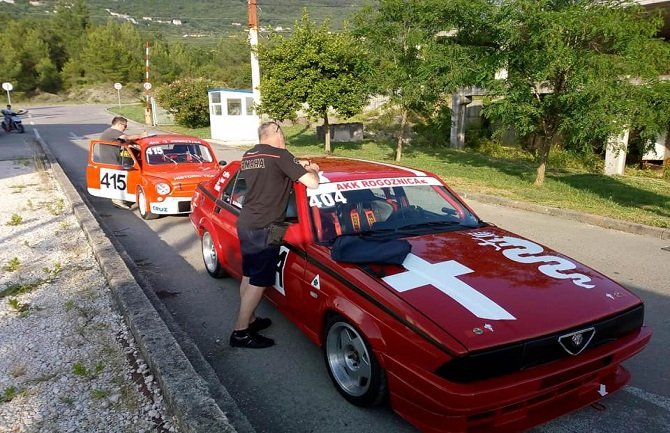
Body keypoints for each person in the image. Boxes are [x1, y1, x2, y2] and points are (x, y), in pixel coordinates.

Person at [230, 121, 320, 349]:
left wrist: (298, 163)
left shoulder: (249, 155)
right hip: (266, 226)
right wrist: (313, 170)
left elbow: (273, 169)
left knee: (249, 275)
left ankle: (249, 319)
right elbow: (312, 184)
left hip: (247, 222)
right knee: (259, 281)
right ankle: (241, 332)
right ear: (278, 133)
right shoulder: (281, 155)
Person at [99, 116, 145, 209]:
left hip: (112, 160)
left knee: (119, 179)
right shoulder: (112, 132)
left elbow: (124, 141)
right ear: (119, 124)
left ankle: (122, 198)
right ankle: (117, 201)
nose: (125, 128)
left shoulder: (111, 133)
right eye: (125, 126)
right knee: (117, 181)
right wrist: (141, 136)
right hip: (111, 161)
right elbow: (127, 137)